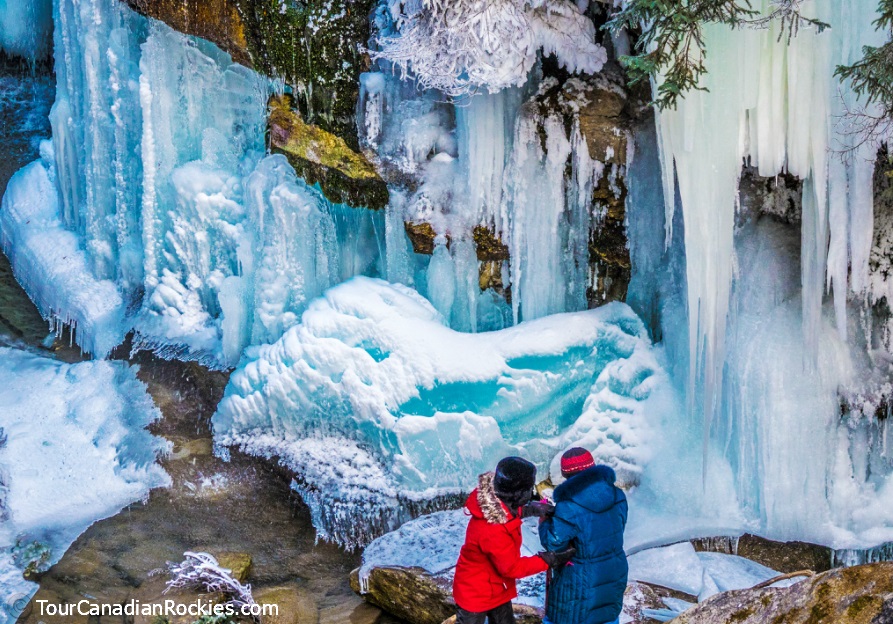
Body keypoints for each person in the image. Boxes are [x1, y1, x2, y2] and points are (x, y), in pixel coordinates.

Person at [453, 457, 575, 624]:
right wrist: (550, 559)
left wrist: (531, 510)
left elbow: (507, 513)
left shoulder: (497, 502)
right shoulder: (492, 530)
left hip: (496, 587)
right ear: (517, 493)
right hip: (475, 594)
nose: (532, 492)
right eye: (529, 488)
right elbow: (512, 568)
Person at [539, 448, 628, 624]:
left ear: (566, 474)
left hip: (580, 576)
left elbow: (553, 543)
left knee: (569, 616)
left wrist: (544, 520)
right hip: (614, 568)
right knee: (606, 615)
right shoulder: (618, 495)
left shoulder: (568, 506)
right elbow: (616, 528)